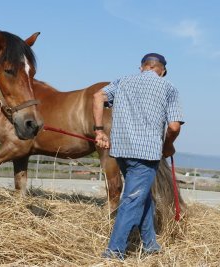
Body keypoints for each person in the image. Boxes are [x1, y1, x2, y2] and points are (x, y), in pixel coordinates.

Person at [92, 53, 184, 260]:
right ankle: (114, 252)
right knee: (133, 199)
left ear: (142, 67)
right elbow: (174, 126)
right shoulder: (168, 87)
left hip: (121, 151)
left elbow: (98, 96)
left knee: (141, 195)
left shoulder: (123, 81)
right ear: (162, 71)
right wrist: (168, 146)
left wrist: (99, 130)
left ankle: (150, 244)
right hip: (146, 154)